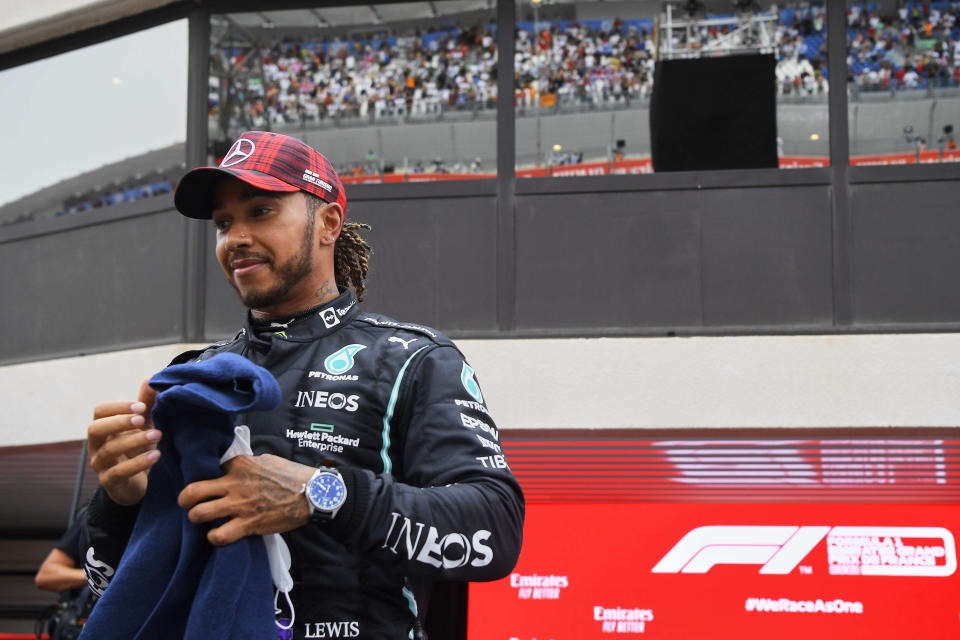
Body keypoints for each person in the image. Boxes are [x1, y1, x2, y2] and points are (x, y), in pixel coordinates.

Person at [82, 130, 524, 639]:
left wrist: (322, 494)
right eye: (224, 222)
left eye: (261, 211)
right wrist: (119, 503)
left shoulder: (413, 359)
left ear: (328, 223)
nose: (235, 237)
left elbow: (495, 529)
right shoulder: (192, 379)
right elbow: (113, 584)